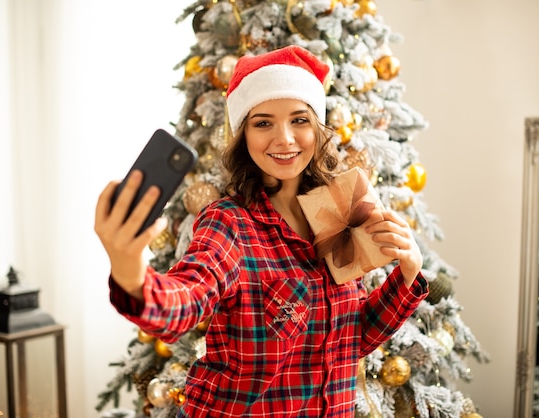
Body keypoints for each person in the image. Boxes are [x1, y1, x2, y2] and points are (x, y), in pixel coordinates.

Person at [94, 45, 428, 418]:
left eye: (299, 120)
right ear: (244, 135)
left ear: (317, 129)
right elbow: (185, 299)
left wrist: (408, 274)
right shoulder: (229, 224)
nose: (284, 138)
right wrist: (129, 272)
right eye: (263, 122)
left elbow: (349, 340)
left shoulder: (337, 214)